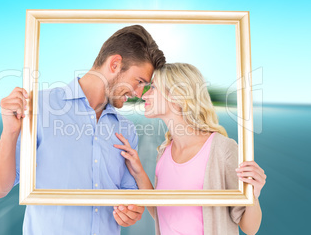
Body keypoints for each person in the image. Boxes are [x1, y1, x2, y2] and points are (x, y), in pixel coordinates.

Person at [0, 25, 166, 234]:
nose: (140, 93)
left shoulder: (127, 130)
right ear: (115, 64)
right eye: (139, 81)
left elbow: (128, 198)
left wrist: (130, 211)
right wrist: (9, 132)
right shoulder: (40, 107)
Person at [114, 63, 266, 235]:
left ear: (177, 96)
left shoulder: (223, 150)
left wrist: (253, 195)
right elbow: (163, 214)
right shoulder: (164, 152)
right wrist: (138, 171)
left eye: (153, 88)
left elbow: (250, 228)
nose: (144, 95)